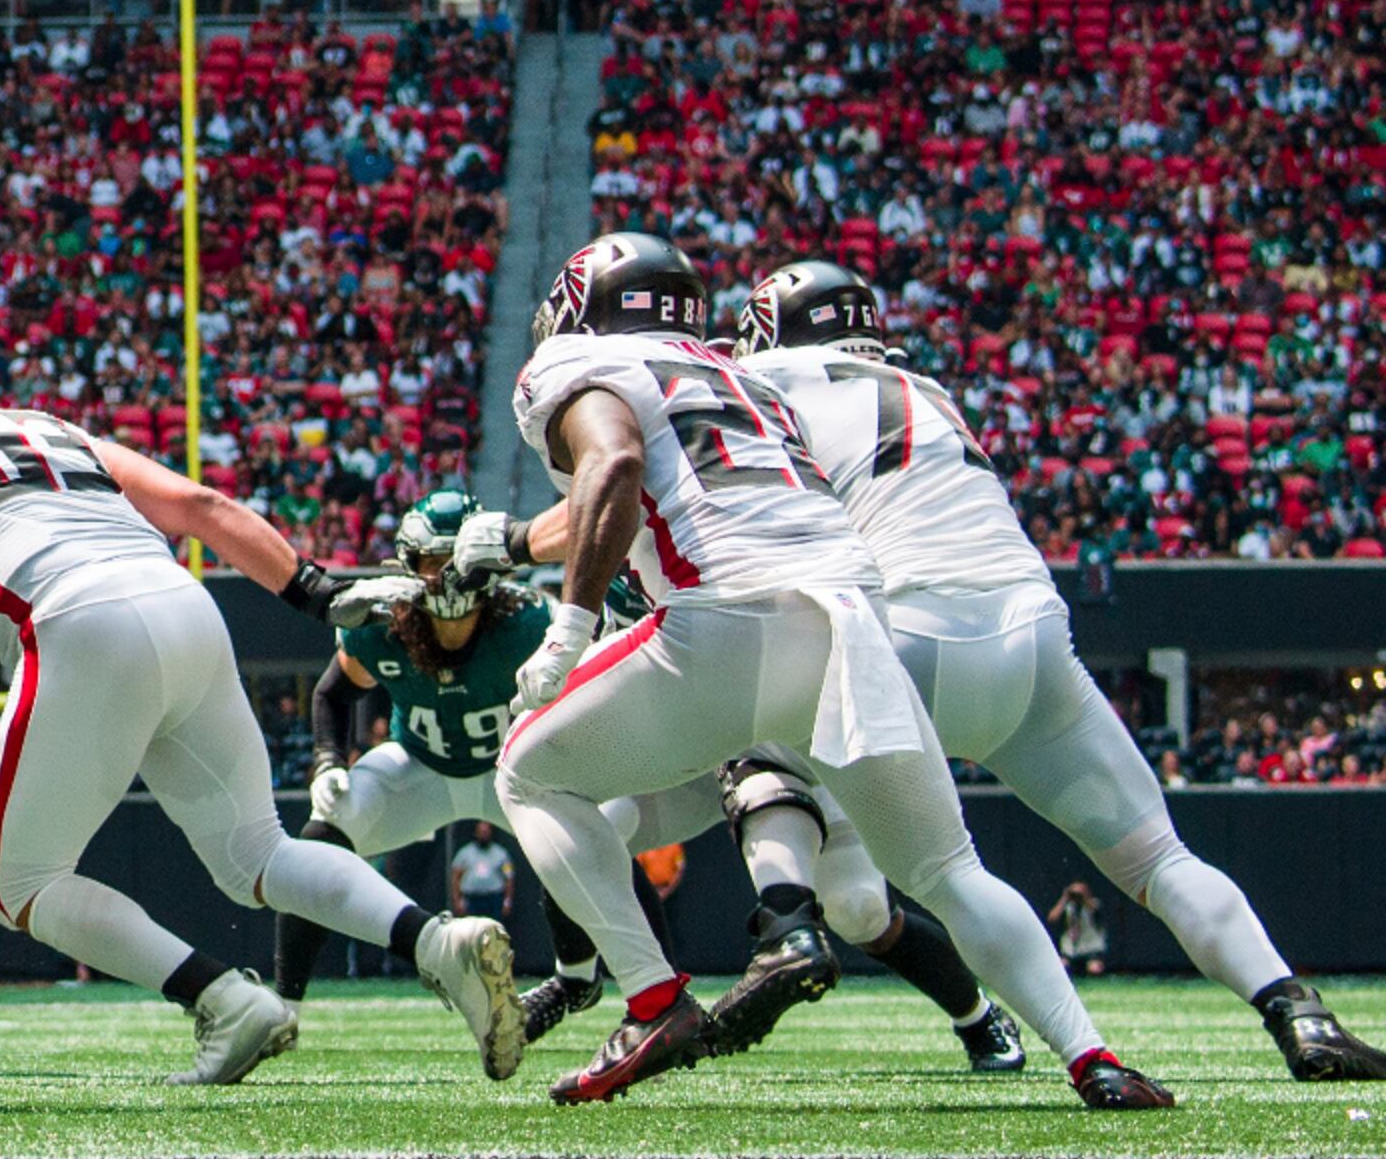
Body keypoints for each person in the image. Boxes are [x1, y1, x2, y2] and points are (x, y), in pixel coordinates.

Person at [487, 234, 1169, 1108]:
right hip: (852, 618)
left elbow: (613, 464)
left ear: (581, 304)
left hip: (726, 617)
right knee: (948, 868)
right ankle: (1094, 1059)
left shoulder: (573, 361)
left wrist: (568, 629)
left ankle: (654, 1001)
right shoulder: (735, 372)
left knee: (529, 772)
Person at [0, 340, 523, 1088]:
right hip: (184, 604)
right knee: (259, 854)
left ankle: (222, 999)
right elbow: (198, 505)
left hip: (72, 625)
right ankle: (436, 941)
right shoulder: (45, 427)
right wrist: (311, 589)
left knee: (18, 888)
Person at [731, 260, 1385, 1081]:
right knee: (1159, 859)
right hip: (1032, 635)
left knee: (810, 788)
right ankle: (1297, 1010)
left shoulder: (765, 376)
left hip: (908, 642)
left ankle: (1077, 1050)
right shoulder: (925, 387)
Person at [272, 493, 611, 1046]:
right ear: (408, 564)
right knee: (316, 842)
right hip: (418, 768)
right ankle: (281, 1004)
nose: (446, 579)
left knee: (585, 837)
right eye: (432, 564)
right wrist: (328, 760)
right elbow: (332, 694)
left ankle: (579, 979)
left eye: (456, 562)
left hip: (510, 774)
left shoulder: (529, 624)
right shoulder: (378, 626)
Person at [1050, 881, 1112, 977]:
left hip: (1091, 946)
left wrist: (1084, 898)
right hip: (1071, 947)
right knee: (1062, 966)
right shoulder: (1068, 907)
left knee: (1094, 969)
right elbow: (1052, 918)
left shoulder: (1094, 903)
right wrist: (1065, 898)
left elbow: (1094, 908)